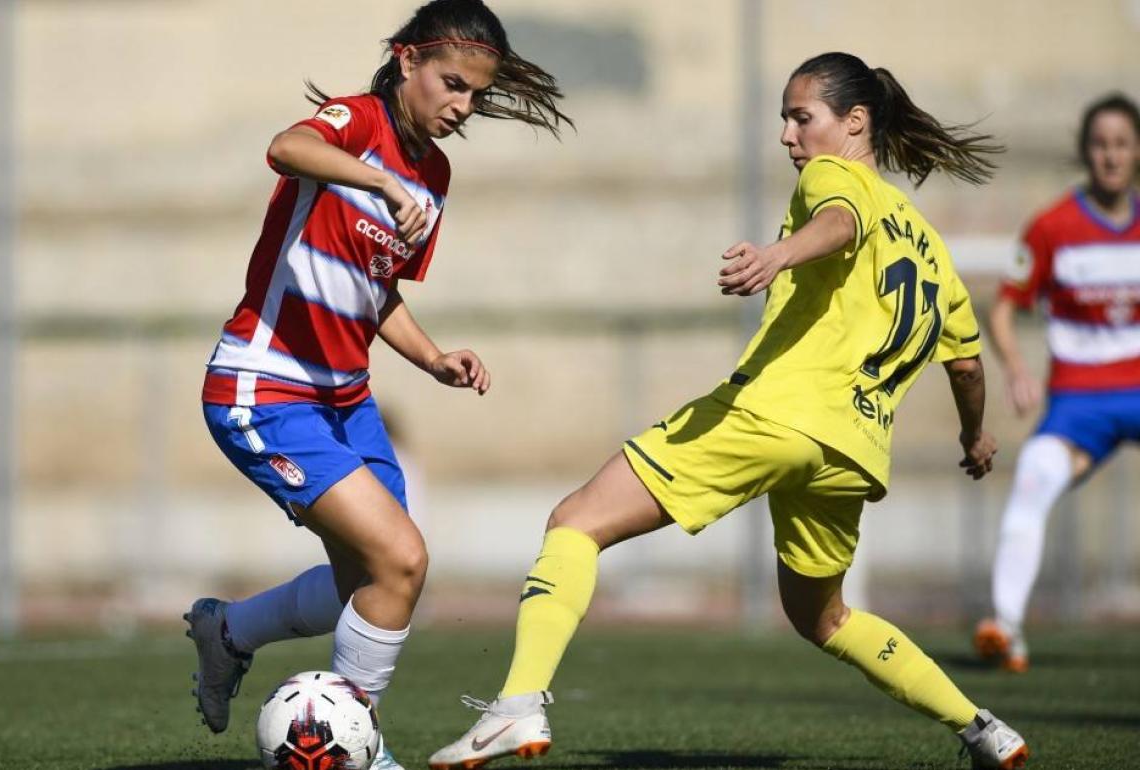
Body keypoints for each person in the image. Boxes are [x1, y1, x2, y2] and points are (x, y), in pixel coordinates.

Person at [429, 52, 1029, 770]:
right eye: (784, 118)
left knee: (574, 523)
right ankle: (983, 728)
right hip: (853, 452)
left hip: (776, 414)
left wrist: (779, 255)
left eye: (800, 117)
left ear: (855, 122)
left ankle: (515, 708)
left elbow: (839, 221)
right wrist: (976, 434)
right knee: (824, 617)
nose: (787, 135)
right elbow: (966, 365)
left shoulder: (834, 176)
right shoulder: (933, 250)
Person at [185, 2, 570, 767]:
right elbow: (285, 146)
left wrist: (431, 359)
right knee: (400, 558)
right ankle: (363, 748)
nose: (460, 107)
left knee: (374, 577)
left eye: (474, 97)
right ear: (407, 61)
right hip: (265, 388)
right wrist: (376, 180)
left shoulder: (435, 171)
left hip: (346, 400)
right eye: (451, 84)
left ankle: (228, 631)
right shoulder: (355, 123)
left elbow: (376, 289)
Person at [974, 93, 1140, 674]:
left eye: (1121, 144)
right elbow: (1002, 310)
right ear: (1085, 152)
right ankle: (1006, 627)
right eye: (1100, 145)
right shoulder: (1053, 226)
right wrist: (1018, 368)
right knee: (1034, 480)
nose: (1111, 156)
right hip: (1079, 405)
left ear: (1136, 151)